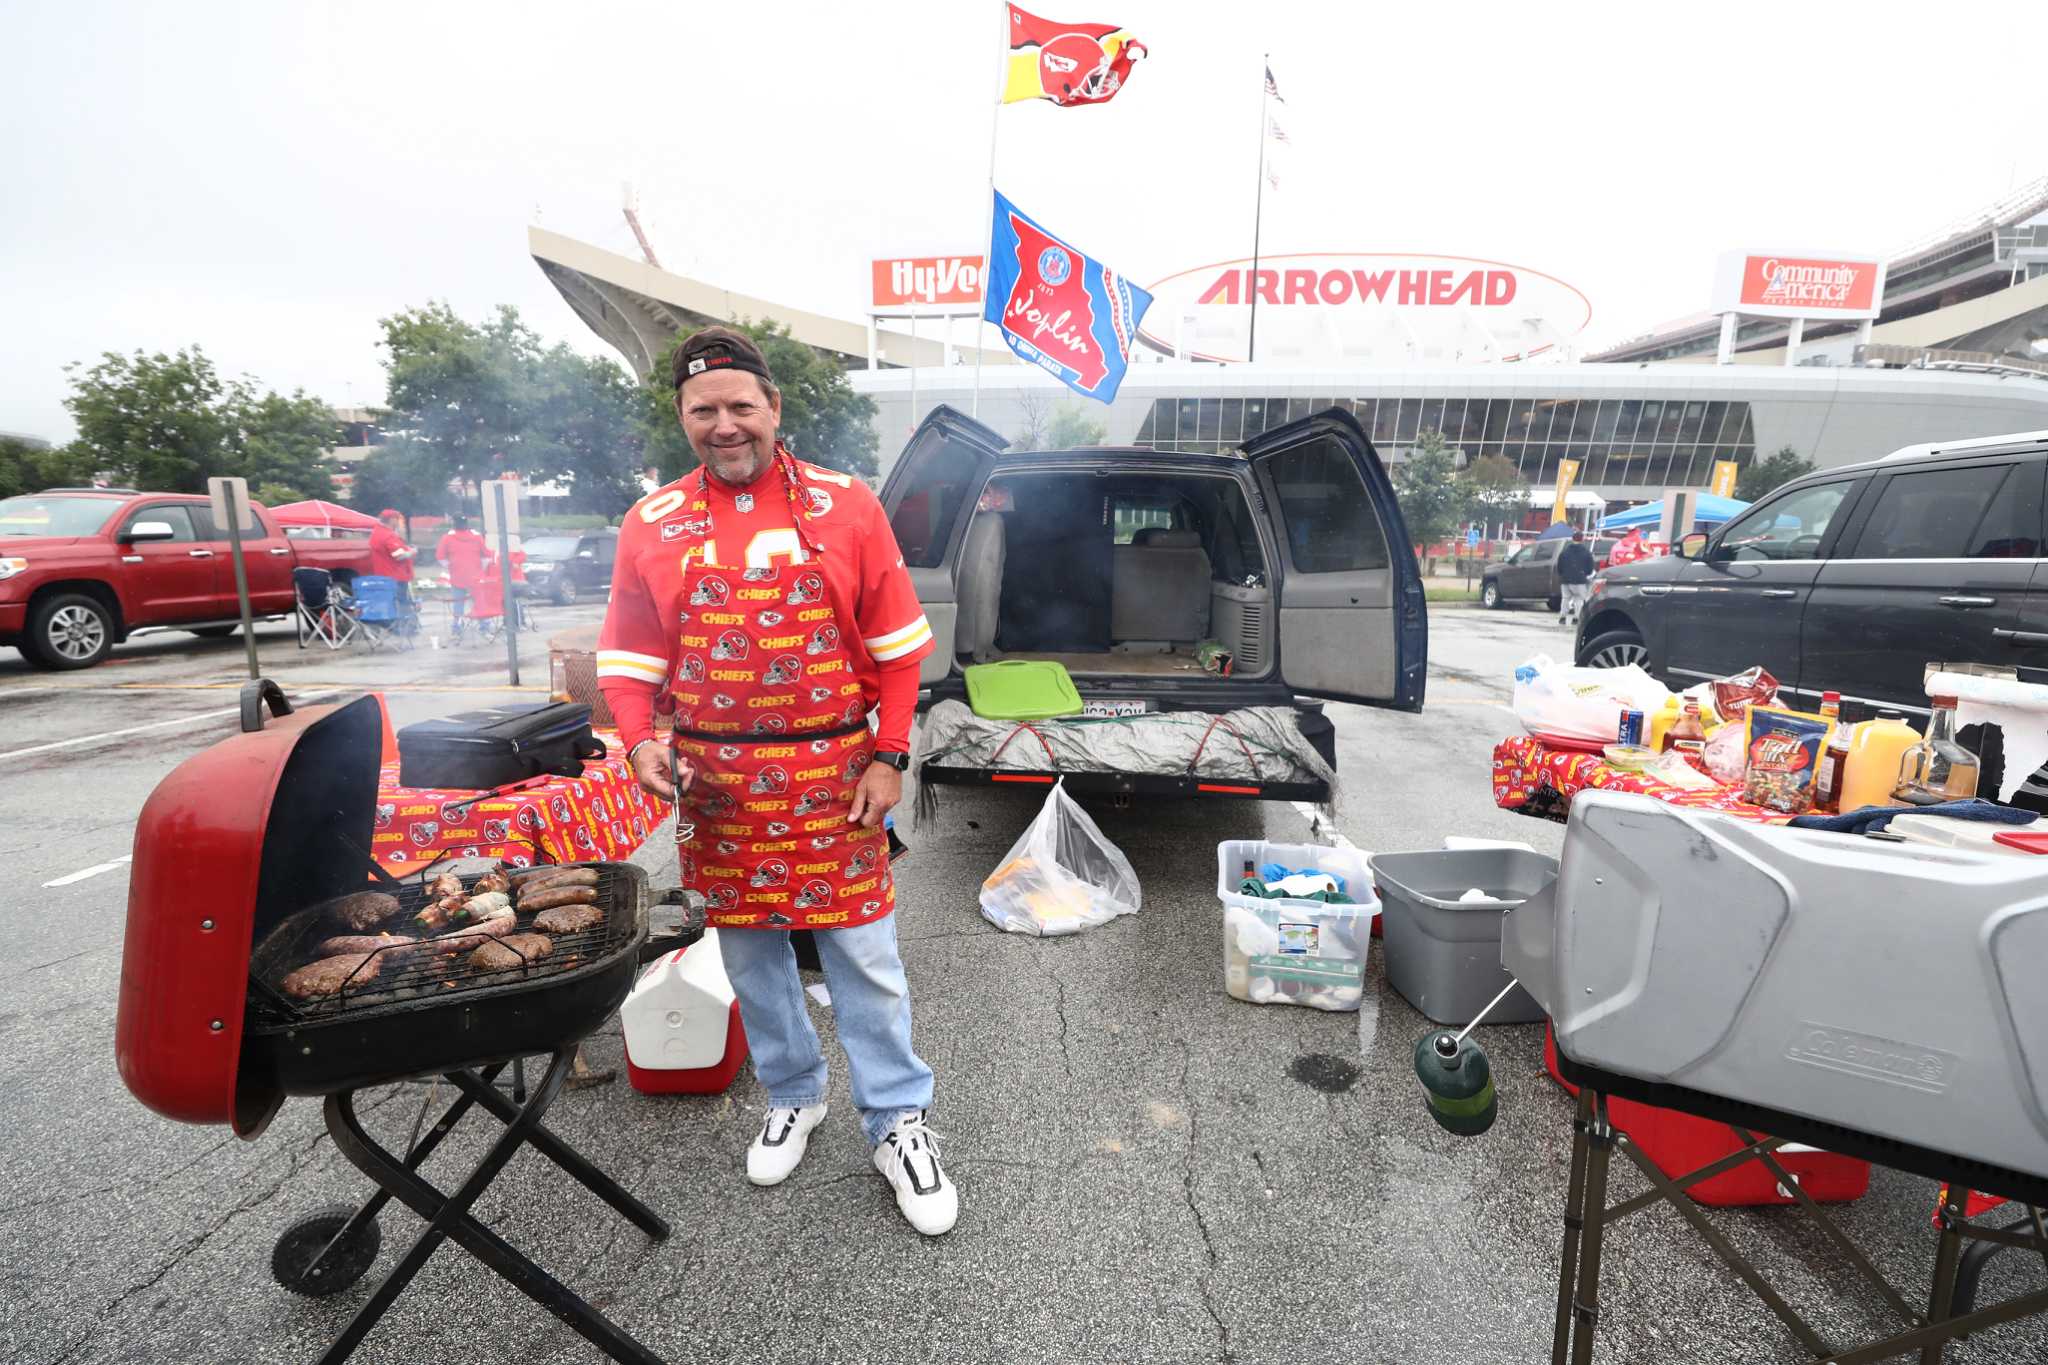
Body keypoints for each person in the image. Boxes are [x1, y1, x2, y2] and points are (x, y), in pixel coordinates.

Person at [596, 328, 956, 1236]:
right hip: (717, 786)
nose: (724, 426)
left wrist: (891, 754)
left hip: (837, 773)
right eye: (703, 410)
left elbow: (900, 652)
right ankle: (795, 1093)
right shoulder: (652, 524)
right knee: (753, 957)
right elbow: (630, 659)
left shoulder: (846, 505)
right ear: (682, 418)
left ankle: (898, 1121)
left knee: (865, 959)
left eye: (740, 406)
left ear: (774, 409)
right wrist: (641, 741)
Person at [435, 516, 487, 624]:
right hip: (476, 577)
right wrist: (481, 569)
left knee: (458, 603)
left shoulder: (447, 538)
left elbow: (440, 557)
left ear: (454, 524)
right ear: (467, 524)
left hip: (457, 577)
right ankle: (483, 626)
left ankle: (457, 627)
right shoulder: (477, 537)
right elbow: (486, 556)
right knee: (479, 603)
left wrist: (451, 567)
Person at [368, 509, 416, 602]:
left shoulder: (376, 533)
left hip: (383, 576)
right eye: (398, 519)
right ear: (392, 520)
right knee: (400, 606)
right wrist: (412, 552)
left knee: (389, 605)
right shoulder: (388, 535)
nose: (399, 522)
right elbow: (399, 556)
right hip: (396, 577)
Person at [1557, 528, 1596, 628]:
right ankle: (1576, 619)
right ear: (1582, 539)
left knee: (1565, 599)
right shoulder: (1586, 552)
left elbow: (1559, 566)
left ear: (1572, 538)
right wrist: (1585, 574)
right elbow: (1590, 568)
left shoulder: (1564, 552)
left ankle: (1562, 618)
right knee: (1578, 600)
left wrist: (1563, 574)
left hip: (1565, 579)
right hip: (1579, 580)